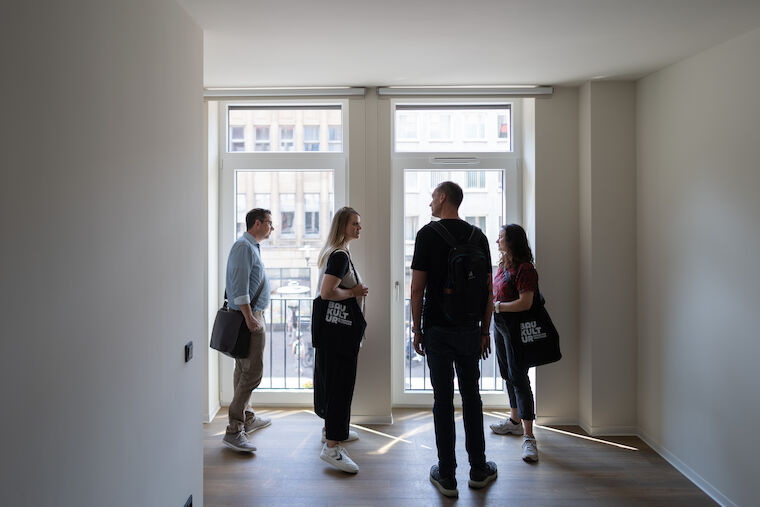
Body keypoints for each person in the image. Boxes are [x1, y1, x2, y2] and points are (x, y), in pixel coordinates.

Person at [411, 181, 498, 498]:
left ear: (443, 198)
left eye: (432, 196)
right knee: (472, 398)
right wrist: (484, 330)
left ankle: (446, 475)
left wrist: (417, 329)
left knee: (442, 401)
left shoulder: (426, 235)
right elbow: (489, 291)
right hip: (469, 330)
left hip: (436, 329)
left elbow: (417, 289)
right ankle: (478, 469)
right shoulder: (479, 237)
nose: (430, 203)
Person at [313, 207, 369, 474]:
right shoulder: (339, 256)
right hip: (339, 335)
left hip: (331, 334)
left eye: (359, 224)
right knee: (339, 386)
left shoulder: (337, 254)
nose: (359, 228)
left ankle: (331, 431)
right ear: (342, 227)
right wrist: (354, 291)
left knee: (332, 383)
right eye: (354, 224)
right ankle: (333, 447)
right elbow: (327, 293)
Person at [221, 208, 274, 452]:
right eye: (269, 223)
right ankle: (234, 429)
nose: (272, 228)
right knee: (253, 373)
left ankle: (247, 416)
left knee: (243, 368)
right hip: (249, 318)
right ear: (257, 223)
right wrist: (250, 317)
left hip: (250, 316)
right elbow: (239, 285)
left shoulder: (250, 247)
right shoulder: (244, 247)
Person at [490, 223, 540, 462]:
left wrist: (497, 307)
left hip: (516, 329)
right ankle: (514, 421)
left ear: (512, 241)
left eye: (501, 238)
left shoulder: (525, 269)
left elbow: (525, 303)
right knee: (507, 374)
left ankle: (529, 437)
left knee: (519, 377)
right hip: (500, 327)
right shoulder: (503, 266)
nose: (497, 241)